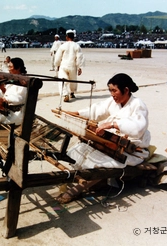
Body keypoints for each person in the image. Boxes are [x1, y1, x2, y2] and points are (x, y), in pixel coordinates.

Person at [56, 73, 151, 203]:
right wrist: (77, 114)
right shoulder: (113, 102)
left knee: (100, 164)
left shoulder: (138, 104)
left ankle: (78, 189)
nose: (112, 94)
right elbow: (97, 109)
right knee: (81, 149)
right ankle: (87, 179)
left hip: (130, 151)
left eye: (114, 90)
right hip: (111, 143)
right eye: (110, 90)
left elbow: (138, 128)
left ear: (126, 90)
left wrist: (113, 124)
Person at [0, 57, 27, 125]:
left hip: (15, 115)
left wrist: (5, 99)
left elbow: (19, 99)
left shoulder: (24, 82)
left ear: (18, 68)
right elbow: (7, 93)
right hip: (8, 111)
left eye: (10, 67)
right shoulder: (13, 79)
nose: (9, 69)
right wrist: (3, 89)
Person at [54, 29, 85, 102]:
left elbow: (58, 57)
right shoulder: (77, 46)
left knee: (62, 80)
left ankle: (65, 94)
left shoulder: (63, 46)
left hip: (64, 65)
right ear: (73, 37)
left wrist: (57, 65)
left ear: (66, 37)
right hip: (72, 66)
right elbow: (79, 57)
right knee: (73, 80)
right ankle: (72, 92)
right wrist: (79, 67)